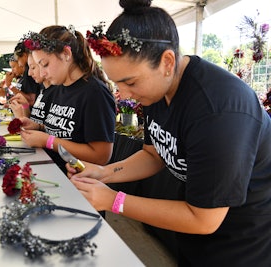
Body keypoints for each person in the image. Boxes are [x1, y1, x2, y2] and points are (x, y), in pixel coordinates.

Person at [67, 0, 271, 266]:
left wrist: (113, 200)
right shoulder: (157, 91)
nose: (123, 94)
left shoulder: (217, 108)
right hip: (194, 233)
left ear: (167, 61)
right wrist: (104, 173)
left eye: (130, 82)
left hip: (241, 243)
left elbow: (204, 218)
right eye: (117, 83)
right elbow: (154, 155)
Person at [19, 26, 116, 174]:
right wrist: (38, 127)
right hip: (51, 172)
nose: (43, 73)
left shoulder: (94, 93)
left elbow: (101, 156)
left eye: (45, 64)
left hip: (76, 183)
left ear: (66, 53)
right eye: (38, 66)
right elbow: (65, 131)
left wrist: (48, 141)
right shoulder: (58, 88)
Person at [9, 53, 54, 119]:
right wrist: (25, 105)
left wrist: (21, 118)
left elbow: (47, 127)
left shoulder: (55, 92)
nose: (29, 73)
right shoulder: (41, 89)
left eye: (33, 67)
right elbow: (32, 119)